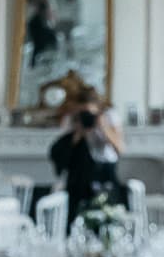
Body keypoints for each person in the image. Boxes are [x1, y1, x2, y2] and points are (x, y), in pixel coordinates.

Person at [46, 98, 131, 239]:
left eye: (90, 114)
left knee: (107, 217)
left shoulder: (107, 119)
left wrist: (103, 127)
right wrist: (78, 132)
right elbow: (59, 154)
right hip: (78, 183)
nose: (87, 117)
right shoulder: (72, 123)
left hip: (105, 179)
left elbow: (120, 149)